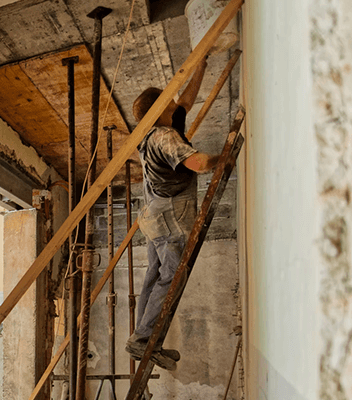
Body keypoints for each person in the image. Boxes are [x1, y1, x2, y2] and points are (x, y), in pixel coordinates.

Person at [125, 57, 221, 371]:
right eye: (168, 100)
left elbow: (186, 101)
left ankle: (144, 340)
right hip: (169, 216)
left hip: (153, 213)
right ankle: (142, 341)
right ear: (160, 108)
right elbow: (200, 164)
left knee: (153, 276)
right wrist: (226, 155)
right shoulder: (163, 137)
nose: (174, 101)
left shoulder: (158, 128)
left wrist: (202, 64)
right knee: (170, 277)